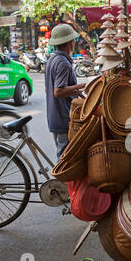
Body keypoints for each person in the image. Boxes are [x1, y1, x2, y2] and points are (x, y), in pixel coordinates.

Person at [45, 24, 86, 160]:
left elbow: (51, 88)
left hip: (55, 116)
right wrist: (83, 85)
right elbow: (58, 91)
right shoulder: (63, 63)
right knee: (64, 158)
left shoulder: (52, 60)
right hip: (62, 117)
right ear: (70, 42)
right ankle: (61, 182)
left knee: (63, 153)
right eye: (74, 40)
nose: (75, 42)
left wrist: (75, 91)